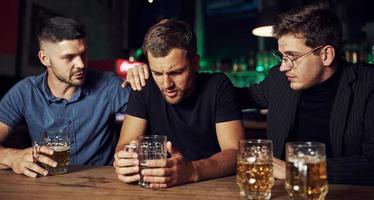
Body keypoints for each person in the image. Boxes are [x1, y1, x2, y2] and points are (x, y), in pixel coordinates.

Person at [125, 4, 374, 185]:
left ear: (327, 55)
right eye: (281, 56)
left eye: (292, 57)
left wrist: (295, 169)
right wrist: (155, 74)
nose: (283, 65)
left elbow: (371, 163)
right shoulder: (279, 79)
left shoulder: (368, 85)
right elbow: (220, 95)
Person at [113, 18, 245, 188]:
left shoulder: (218, 85)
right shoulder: (144, 87)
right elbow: (124, 145)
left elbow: (236, 153)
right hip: (156, 186)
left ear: (195, 63)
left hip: (211, 187)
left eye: (176, 72)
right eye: (157, 73)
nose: (166, 84)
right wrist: (124, 161)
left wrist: (192, 170)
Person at [0, 17, 130, 177]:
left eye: (83, 54)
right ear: (44, 59)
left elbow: (151, 107)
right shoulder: (25, 92)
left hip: (100, 184)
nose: (81, 64)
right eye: (69, 58)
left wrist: (143, 79)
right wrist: (12, 157)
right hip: (47, 184)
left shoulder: (109, 85)